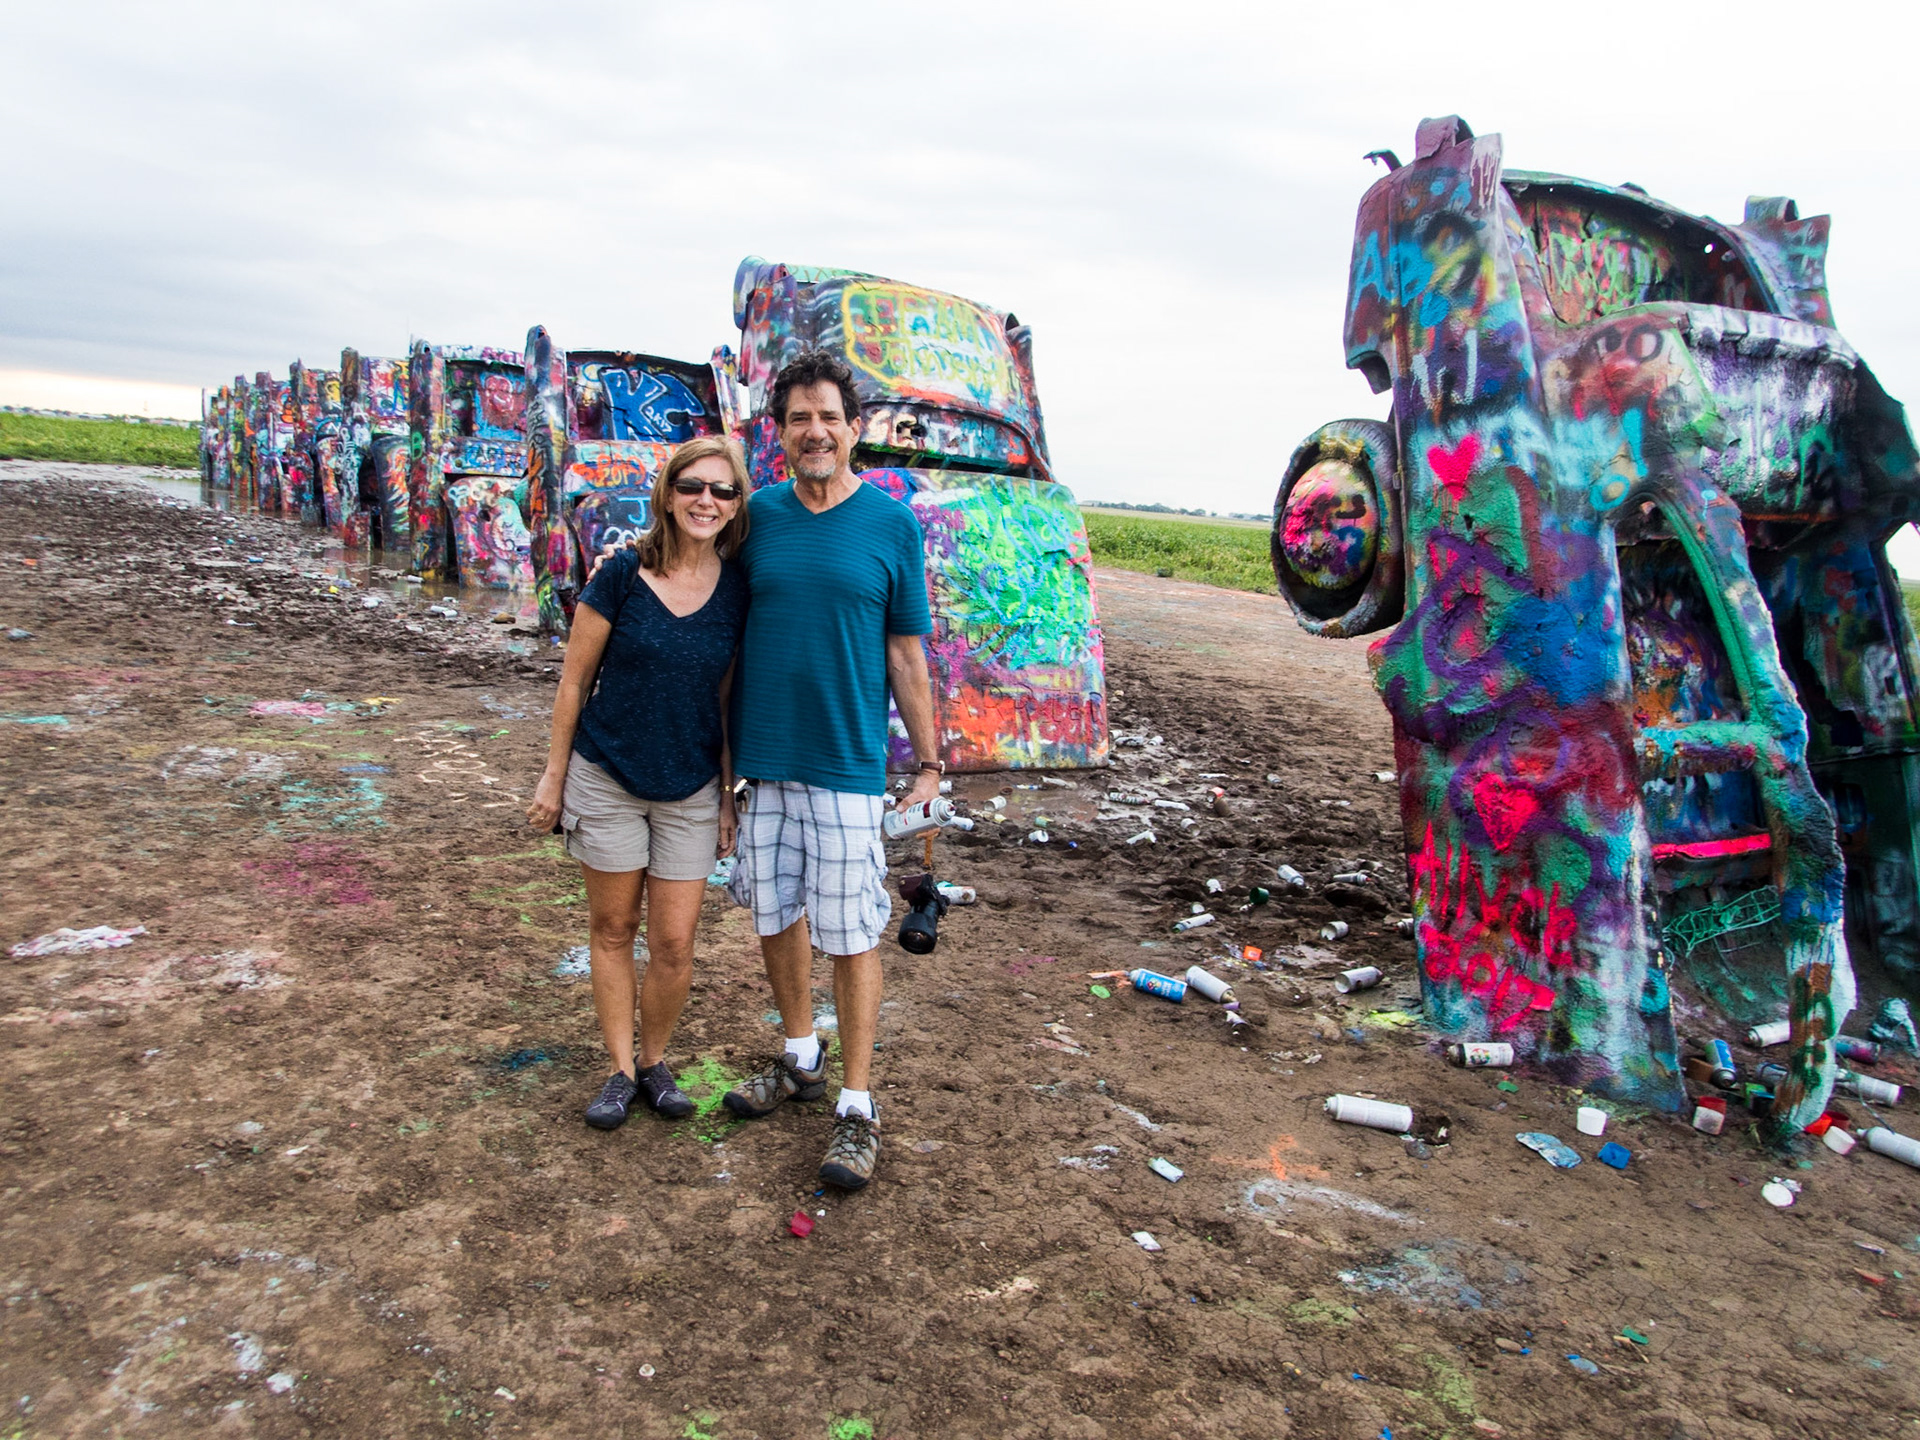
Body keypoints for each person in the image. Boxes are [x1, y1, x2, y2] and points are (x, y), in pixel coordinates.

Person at [719, 350, 942, 1192]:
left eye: (828, 417)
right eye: (798, 418)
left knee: (850, 934)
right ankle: (799, 1057)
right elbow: (718, 628)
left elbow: (906, 655)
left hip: (847, 766)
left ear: (854, 430)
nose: (814, 431)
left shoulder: (891, 526)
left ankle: (857, 1104)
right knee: (775, 916)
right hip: (764, 763)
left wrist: (928, 763)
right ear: (779, 433)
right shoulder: (755, 520)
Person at [525, 435, 750, 1131]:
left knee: (675, 942)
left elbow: (728, 701)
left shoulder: (739, 590)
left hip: (691, 786)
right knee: (614, 927)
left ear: (736, 503)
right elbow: (574, 682)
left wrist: (727, 795)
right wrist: (554, 778)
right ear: (668, 493)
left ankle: (655, 1062)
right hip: (606, 776)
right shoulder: (621, 573)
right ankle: (620, 1071)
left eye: (722, 490)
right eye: (692, 486)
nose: (706, 500)